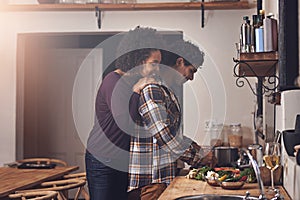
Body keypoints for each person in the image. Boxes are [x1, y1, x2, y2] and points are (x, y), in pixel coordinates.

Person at [127, 39, 215, 200]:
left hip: (160, 178)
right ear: (180, 61)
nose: (192, 77)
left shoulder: (167, 91)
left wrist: (199, 149)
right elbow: (165, 137)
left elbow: (172, 134)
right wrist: (200, 156)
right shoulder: (153, 89)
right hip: (151, 181)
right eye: (191, 71)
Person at [85, 27, 165, 200]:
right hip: (102, 159)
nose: (156, 69)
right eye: (154, 63)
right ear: (140, 60)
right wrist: (136, 91)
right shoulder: (113, 82)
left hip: (120, 160)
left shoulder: (131, 82)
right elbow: (126, 123)